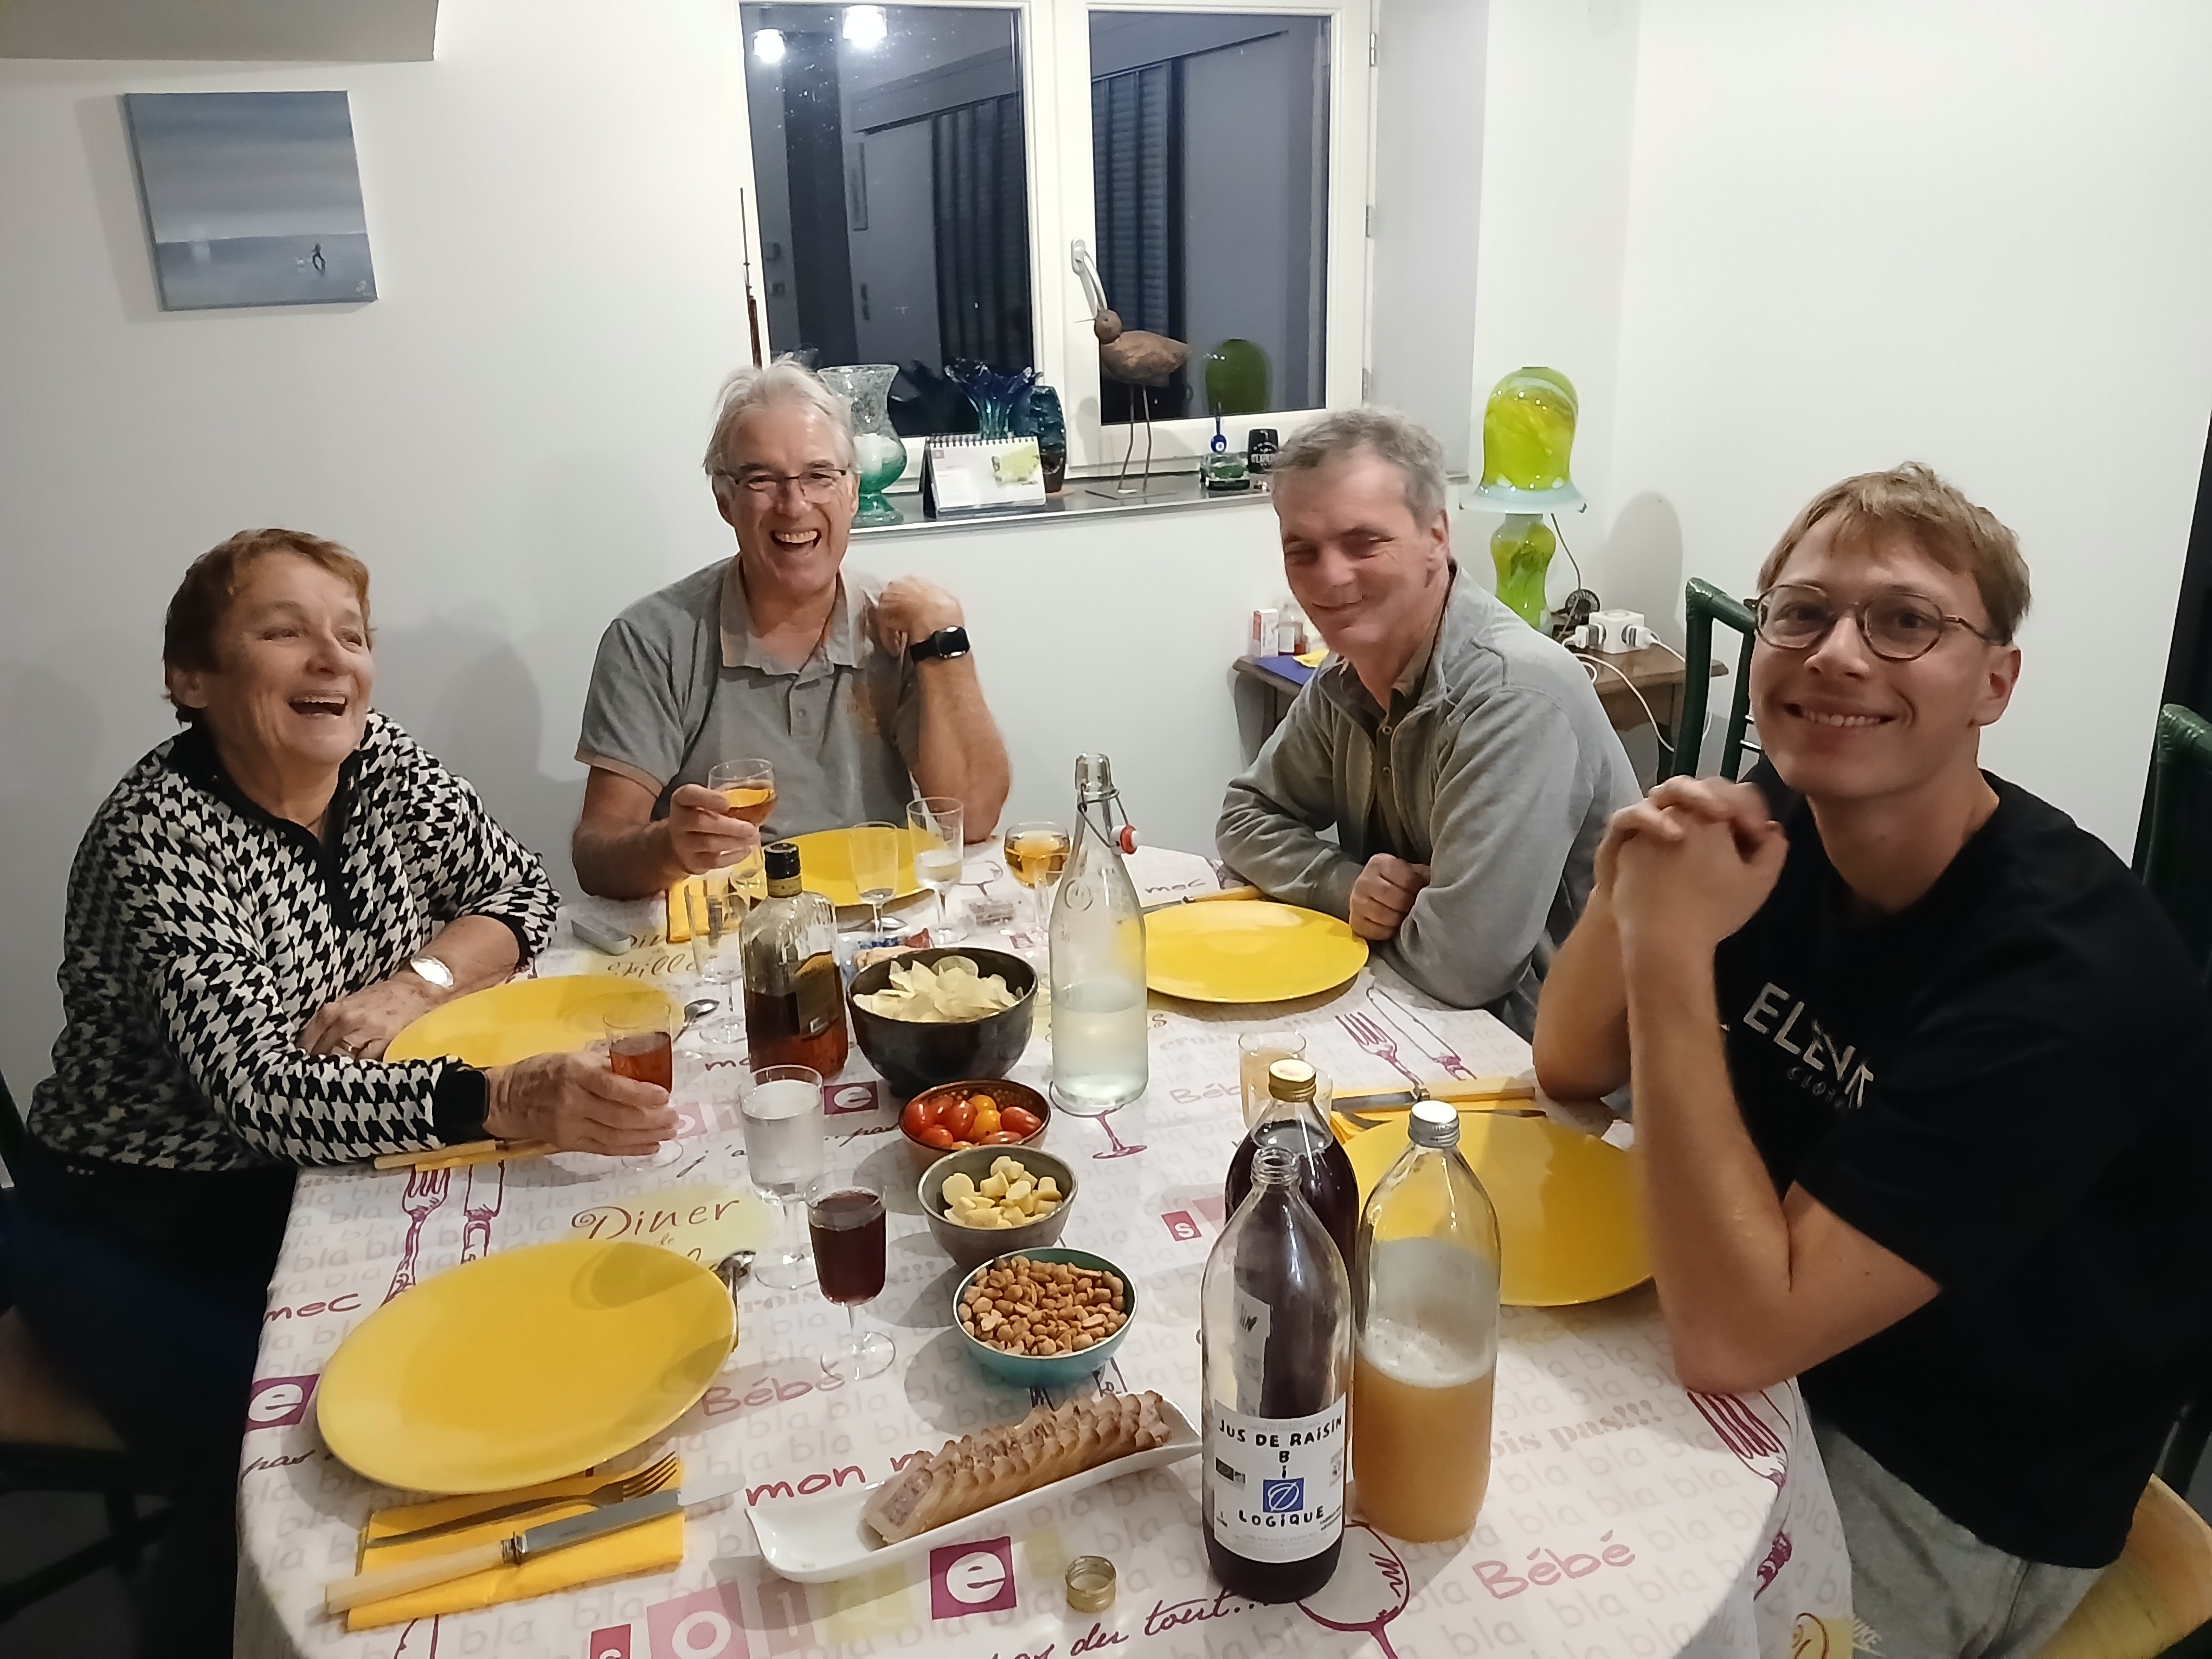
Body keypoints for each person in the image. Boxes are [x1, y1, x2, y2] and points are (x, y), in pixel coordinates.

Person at [1532, 464, 2212, 1657]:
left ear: (1995, 681)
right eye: (1802, 614)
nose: (1838, 655)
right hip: (1771, 1324)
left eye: (1905, 621)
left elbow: (1734, 1339)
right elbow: (1568, 1064)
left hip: (1956, 1469)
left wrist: (1672, 954)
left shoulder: (2067, 977)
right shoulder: (1780, 813)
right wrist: (1631, 882)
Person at [10, 530, 678, 1658]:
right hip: (137, 1213)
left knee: (506, 1327)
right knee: (273, 1464)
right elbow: (262, 1094)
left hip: (316, 1169)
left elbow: (517, 889)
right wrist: (497, 1101)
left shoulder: (382, 761)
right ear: (192, 678)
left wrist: (418, 982)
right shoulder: (158, 837)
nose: (333, 660)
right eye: (285, 632)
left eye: (352, 636)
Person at [1214, 408, 1639, 1031]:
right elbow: (1244, 818)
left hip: (1540, 1052)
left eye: (1364, 542)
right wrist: (1345, 886)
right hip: (1418, 1009)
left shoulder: (1516, 695)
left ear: (1437, 536)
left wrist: (1363, 909)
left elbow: (1459, 968)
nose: (1330, 576)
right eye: (1302, 551)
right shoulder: (1346, 672)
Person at [572, 361, 1011, 898]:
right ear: (725, 501)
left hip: (884, 915)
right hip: (737, 928)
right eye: (762, 480)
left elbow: (976, 818)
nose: (795, 505)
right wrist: (669, 848)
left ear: (852, 493)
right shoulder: (651, 640)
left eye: (819, 476)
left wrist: (946, 638)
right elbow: (596, 855)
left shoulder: (898, 626)